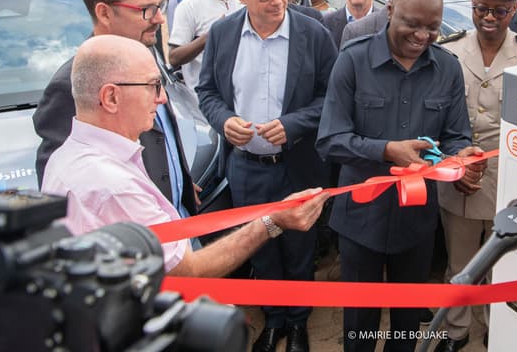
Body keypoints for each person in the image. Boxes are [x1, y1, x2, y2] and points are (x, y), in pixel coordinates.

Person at [41, 34, 329, 278]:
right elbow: (187, 269)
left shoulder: (70, 155)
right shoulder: (111, 187)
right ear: (111, 97)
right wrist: (273, 221)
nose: (163, 98)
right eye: (153, 86)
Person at [317, 0, 479, 352]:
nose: (422, 36)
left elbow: (457, 136)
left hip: (418, 222)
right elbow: (329, 140)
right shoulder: (353, 61)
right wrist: (386, 150)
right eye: (412, 23)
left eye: (432, 28)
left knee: (407, 326)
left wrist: (463, 162)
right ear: (389, 10)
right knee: (360, 325)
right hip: (361, 221)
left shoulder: (447, 68)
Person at [196, 0, 337, 352]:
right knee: (260, 247)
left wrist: (293, 125)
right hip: (245, 167)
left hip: (298, 165)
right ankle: (274, 319)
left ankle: (298, 324)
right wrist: (224, 120)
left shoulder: (314, 32)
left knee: (299, 249)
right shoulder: (223, 35)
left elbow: (332, 97)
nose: (277, 1)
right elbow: (206, 92)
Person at [435, 0, 517, 351]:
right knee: (460, 261)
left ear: (513, 9)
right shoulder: (446, 50)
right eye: (482, 8)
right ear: (472, 6)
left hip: (510, 181)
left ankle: (497, 331)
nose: (489, 17)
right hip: (458, 178)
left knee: (505, 266)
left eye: (499, 9)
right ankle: (457, 331)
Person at [33, 0, 198, 219]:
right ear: (104, 13)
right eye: (146, 9)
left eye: (160, 5)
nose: (160, 18)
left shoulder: (145, 50)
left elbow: (159, 137)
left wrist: (178, 182)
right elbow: (68, 193)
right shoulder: (72, 85)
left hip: (178, 220)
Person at [168, 0, 241, 93]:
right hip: (202, 99)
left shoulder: (244, 2)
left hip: (238, 96)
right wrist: (211, 35)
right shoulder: (190, 6)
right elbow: (174, 58)